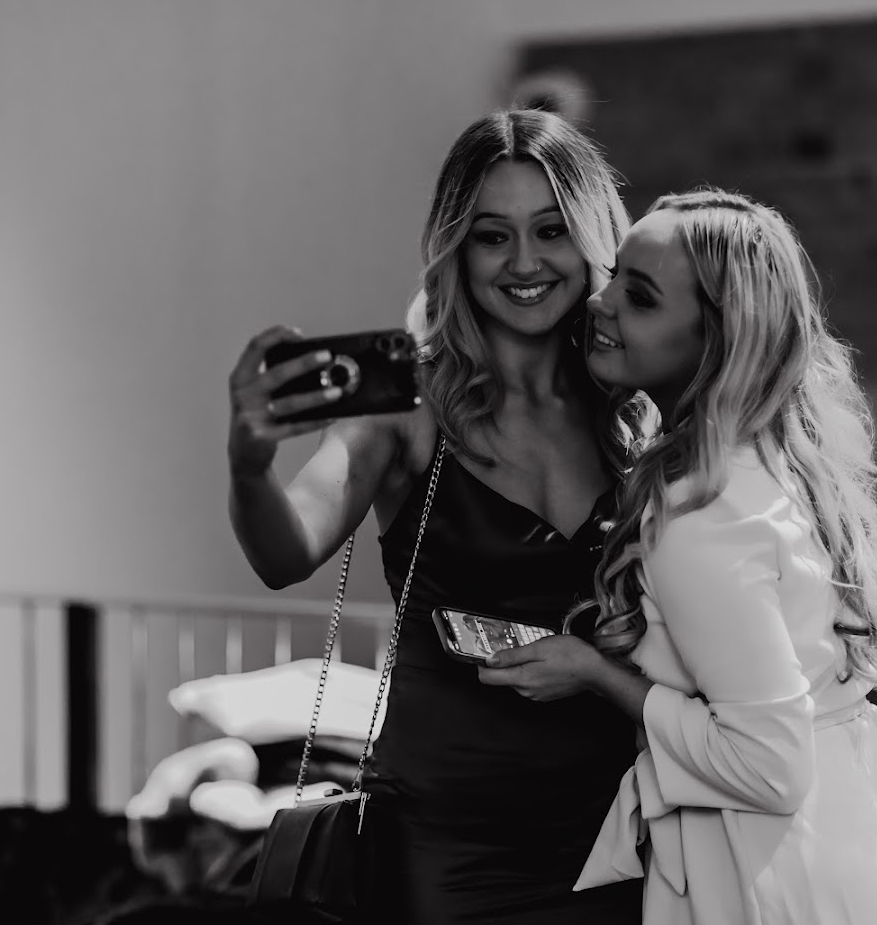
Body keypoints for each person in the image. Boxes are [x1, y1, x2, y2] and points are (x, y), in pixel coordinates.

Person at [223, 109, 648, 924]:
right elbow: (286, 550)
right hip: (446, 846)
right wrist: (248, 465)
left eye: (551, 230)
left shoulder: (630, 411)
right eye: (492, 236)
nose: (523, 262)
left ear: (592, 238)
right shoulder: (406, 409)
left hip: (615, 833)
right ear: (457, 249)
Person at [479, 188, 877, 923]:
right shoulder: (777, 460)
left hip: (771, 875)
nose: (598, 302)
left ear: (715, 341)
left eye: (639, 297)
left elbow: (767, 764)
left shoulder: (700, 514)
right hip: (850, 846)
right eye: (614, 276)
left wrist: (596, 675)